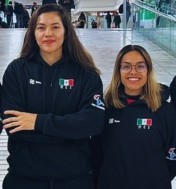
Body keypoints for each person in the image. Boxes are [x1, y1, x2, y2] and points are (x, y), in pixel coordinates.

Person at [1, 4, 104, 189]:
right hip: (24, 178)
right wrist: (69, 131)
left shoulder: (86, 74)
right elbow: (13, 125)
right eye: (41, 27)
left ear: (66, 31)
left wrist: (38, 122)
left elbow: (93, 123)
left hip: (74, 179)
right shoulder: (16, 71)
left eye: (55, 27)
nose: (48, 33)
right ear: (33, 32)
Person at [93, 45, 176, 189]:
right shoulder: (106, 108)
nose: (133, 72)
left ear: (148, 70)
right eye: (126, 67)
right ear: (118, 71)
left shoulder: (164, 111)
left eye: (140, 66)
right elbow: (96, 154)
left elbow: (172, 159)